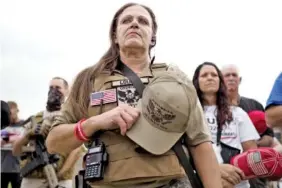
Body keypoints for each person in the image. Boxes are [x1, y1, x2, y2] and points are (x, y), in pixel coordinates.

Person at [46, 3, 223, 188]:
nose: (135, 24)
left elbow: (200, 143)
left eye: (143, 21)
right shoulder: (88, 80)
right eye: (126, 20)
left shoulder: (175, 81)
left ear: (153, 37)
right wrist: (96, 122)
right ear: (115, 35)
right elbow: (54, 143)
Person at [192, 62, 260, 188]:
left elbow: (252, 154)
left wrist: (233, 174)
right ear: (196, 81)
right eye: (204, 75)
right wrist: (214, 171)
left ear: (220, 81)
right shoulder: (188, 113)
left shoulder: (238, 113)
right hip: (200, 182)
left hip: (236, 182)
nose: (210, 77)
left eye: (214, 75)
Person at [12, 77, 83, 188]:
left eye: (58, 88)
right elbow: (16, 151)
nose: (53, 91)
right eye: (51, 87)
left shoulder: (71, 117)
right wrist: (28, 135)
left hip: (60, 180)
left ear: (67, 91)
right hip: (32, 179)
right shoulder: (35, 119)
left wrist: (59, 174)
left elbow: (76, 151)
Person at [1, 101, 25, 188]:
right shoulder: (3, 125)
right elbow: (1, 141)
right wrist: (16, 138)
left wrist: (7, 139)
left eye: (10, 113)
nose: (9, 116)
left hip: (18, 168)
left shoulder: (24, 124)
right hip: (3, 168)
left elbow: (24, 139)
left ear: (17, 110)